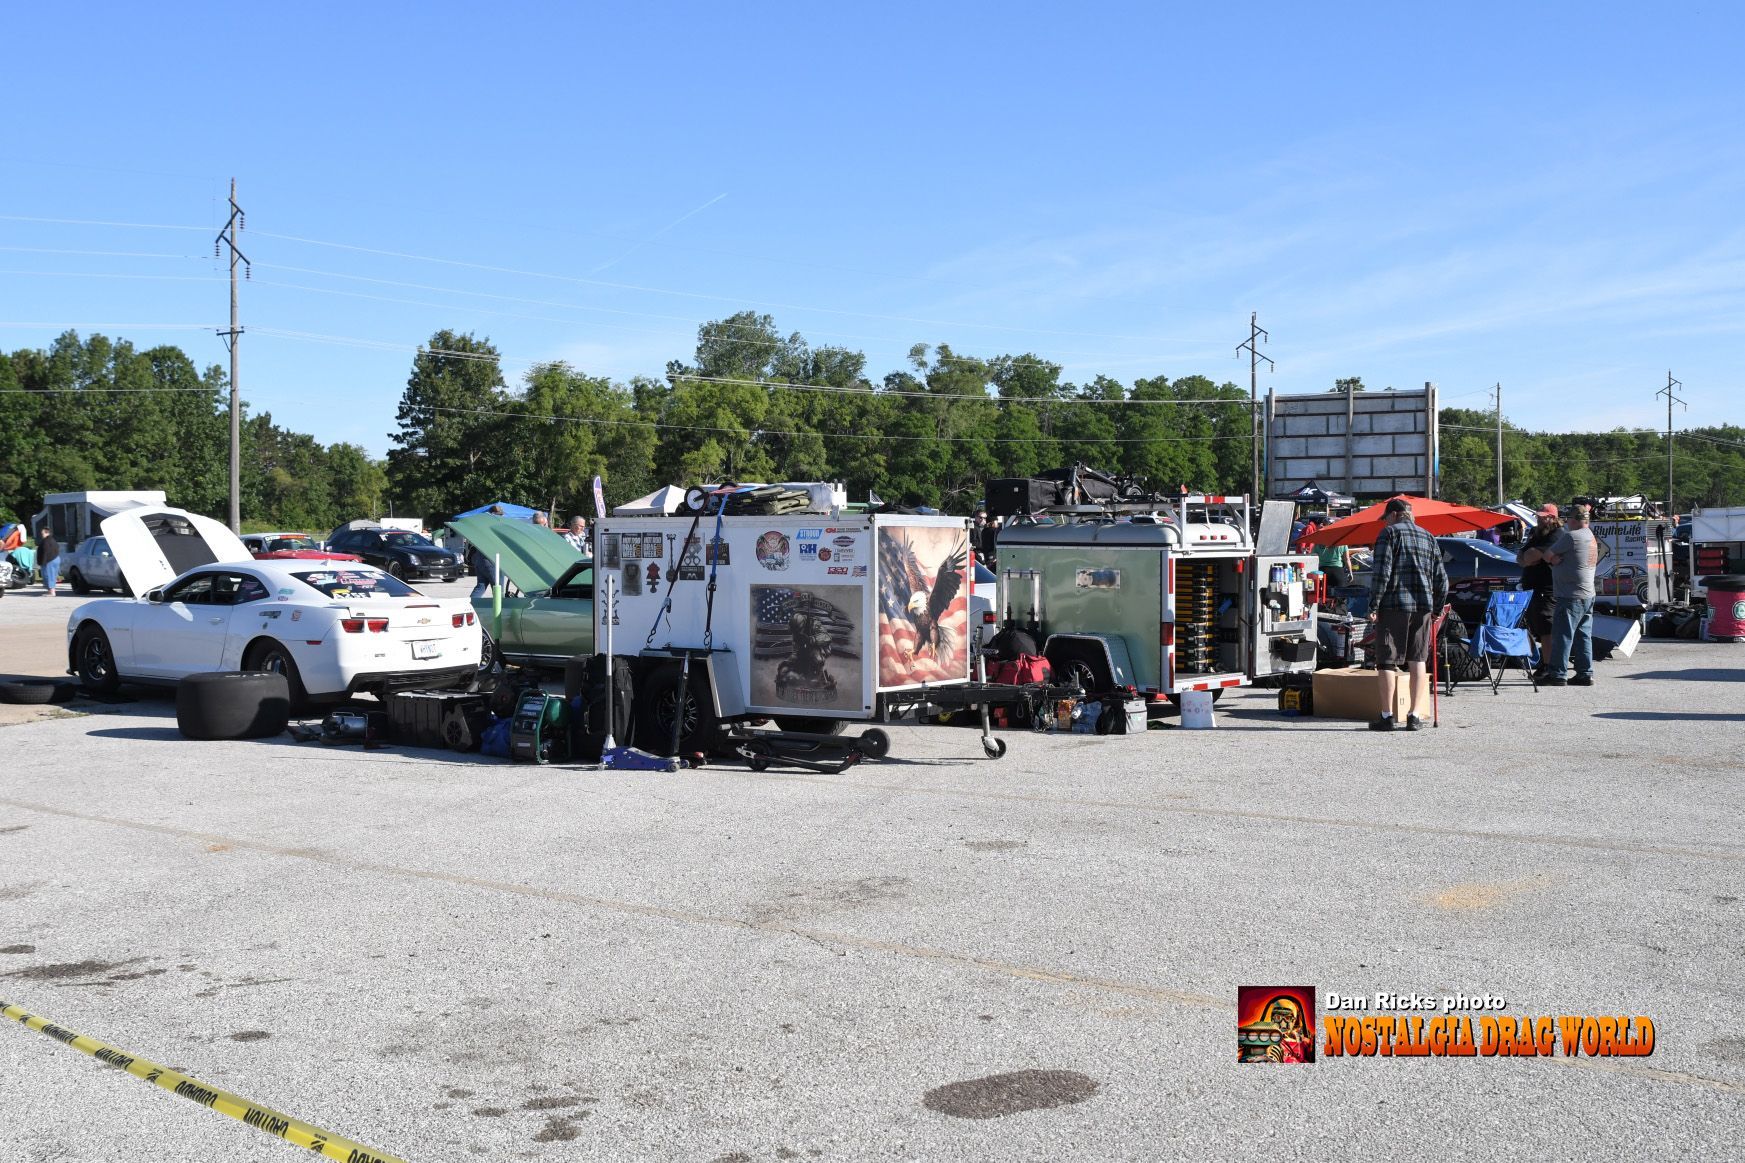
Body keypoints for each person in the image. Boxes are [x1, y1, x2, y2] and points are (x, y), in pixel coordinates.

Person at [1366, 498, 1449, 731]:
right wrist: (1437, 609)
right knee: (1418, 659)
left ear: (1393, 515)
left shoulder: (1388, 534)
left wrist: (1373, 605)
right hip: (1423, 607)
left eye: (1385, 519)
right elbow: (1442, 581)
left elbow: (1382, 573)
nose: (1384, 523)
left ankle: (1387, 716)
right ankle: (1414, 715)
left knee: (1387, 660)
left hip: (1393, 605)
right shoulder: (1429, 537)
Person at [1538, 503, 1599, 687]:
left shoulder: (1572, 537)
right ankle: (1585, 673)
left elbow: (1547, 554)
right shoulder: (1590, 536)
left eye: (1568, 520)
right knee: (1583, 635)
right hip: (1588, 593)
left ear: (1573, 520)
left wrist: (1553, 559)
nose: (1567, 524)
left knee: (1562, 635)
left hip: (1571, 594)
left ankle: (1557, 673)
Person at [1514, 504, 1562, 656]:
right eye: (1538, 516)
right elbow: (1520, 557)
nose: (1539, 519)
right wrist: (1528, 557)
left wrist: (1529, 557)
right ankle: (1544, 662)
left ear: (1553, 518)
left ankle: (1550, 667)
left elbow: (1530, 556)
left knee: (1547, 630)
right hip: (1533, 589)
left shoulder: (1556, 535)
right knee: (1538, 629)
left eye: (1543, 517)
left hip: (1546, 590)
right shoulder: (1538, 533)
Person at [37, 526, 60, 597]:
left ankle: (51, 591)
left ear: (47, 533)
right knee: (52, 575)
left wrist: (42, 562)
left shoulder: (46, 541)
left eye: (42, 533)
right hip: (55, 558)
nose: (41, 535)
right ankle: (51, 590)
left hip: (49, 560)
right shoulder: (53, 540)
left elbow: (45, 551)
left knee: (47, 575)